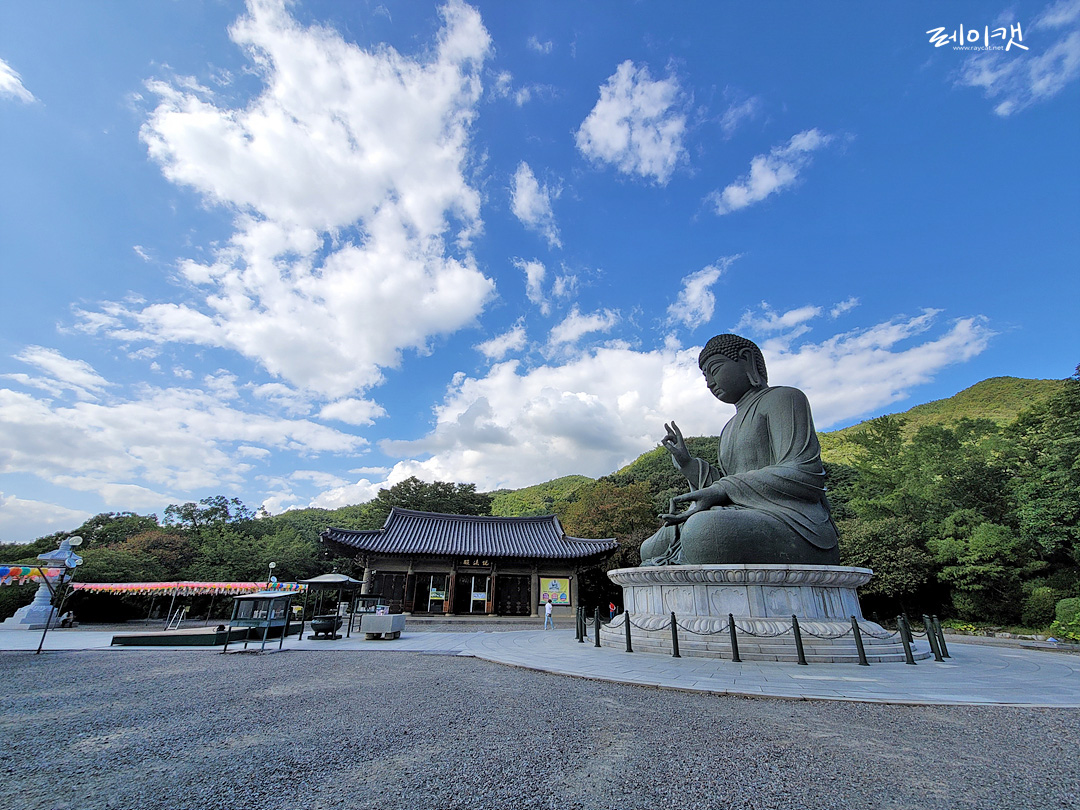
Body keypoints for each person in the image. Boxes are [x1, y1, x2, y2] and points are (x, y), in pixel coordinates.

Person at [638, 334, 840, 566]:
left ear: (746, 359)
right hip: (741, 512)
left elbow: (805, 473)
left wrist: (724, 488)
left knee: (704, 531)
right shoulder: (728, 427)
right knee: (651, 547)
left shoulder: (785, 398)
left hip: (789, 517)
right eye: (705, 376)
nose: (709, 383)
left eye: (715, 370)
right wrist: (688, 464)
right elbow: (726, 486)